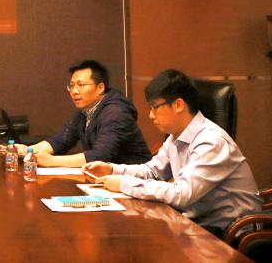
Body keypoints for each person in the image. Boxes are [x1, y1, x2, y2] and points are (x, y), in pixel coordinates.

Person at [83, 69, 261, 235]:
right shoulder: (176, 137)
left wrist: (124, 183)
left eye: (155, 107)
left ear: (178, 105)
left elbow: (181, 194)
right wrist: (112, 170)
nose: (151, 115)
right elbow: (153, 171)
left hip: (233, 232)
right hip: (198, 223)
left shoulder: (211, 141)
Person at [17, 59, 151, 167]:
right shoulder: (85, 111)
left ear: (100, 88)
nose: (74, 91)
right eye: (71, 86)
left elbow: (101, 155)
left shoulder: (116, 112)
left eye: (81, 85)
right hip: (108, 178)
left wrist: (51, 161)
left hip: (135, 180)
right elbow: (61, 140)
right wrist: (29, 151)